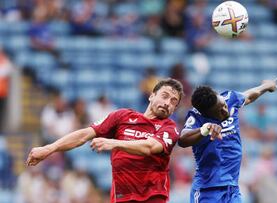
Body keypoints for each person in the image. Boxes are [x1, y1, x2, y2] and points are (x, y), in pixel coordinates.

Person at [27, 78, 184, 203]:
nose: (167, 103)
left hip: (152, 199)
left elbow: (150, 147)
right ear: (151, 95)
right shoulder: (122, 116)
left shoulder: (169, 128)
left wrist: (114, 143)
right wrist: (50, 148)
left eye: (173, 102)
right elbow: (84, 135)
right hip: (121, 197)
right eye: (164, 96)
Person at [178, 78, 277, 203]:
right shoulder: (196, 117)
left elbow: (249, 96)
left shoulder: (230, 98)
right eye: (219, 111)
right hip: (207, 190)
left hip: (232, 189)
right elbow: (183, 140)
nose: (225, 111)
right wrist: (205, 129)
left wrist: (266, 86)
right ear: (206, 114)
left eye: (224, 106)